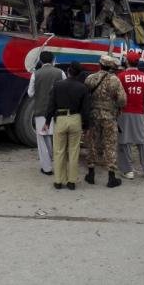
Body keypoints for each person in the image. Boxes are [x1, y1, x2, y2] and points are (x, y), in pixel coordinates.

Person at [44, 61, 90, 190]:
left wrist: (47, 122)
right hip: (76, 119)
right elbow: (86, 110)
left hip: (61, 119)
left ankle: (58, 181)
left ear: (68, 71)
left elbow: (50, 105)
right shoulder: (83, 88)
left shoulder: (57, 85)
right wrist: (86, 127)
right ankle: (71, 182)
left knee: (59, 151)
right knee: (74, 151)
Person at [84, 55, 127, 188]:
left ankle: (91, 173)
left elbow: (84, 95)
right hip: (109, 116)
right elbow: (122, 100)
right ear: (111, 67)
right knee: (110, 144)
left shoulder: (90, 78)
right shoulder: (115, 80)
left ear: (100, 65)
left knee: (91, 142)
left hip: (93, 115)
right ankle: (111, 177)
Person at [117, 51, 144, 180]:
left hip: (124, 113)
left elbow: (118, 98)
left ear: (127, 61)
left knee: (124, 141)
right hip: (139, 113)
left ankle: (128, 171)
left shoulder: (121, 76)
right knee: (143, 141)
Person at [27, 51, 66, 176]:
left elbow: (30, 93)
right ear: (53, 60)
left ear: (41, 61)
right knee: (55, 138)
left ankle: (47, 167)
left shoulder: (35, 74)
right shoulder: (60, 73)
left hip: (41, 111)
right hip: (57, 112)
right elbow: (65, 88)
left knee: (43, 139)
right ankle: (57, 164)